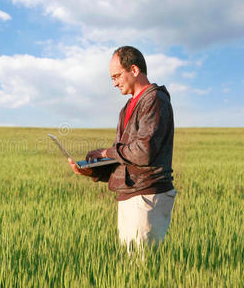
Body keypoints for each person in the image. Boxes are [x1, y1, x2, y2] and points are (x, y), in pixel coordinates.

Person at [68, 46, 176, 251]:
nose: (115, 83)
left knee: (143, 268)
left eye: (117, 76)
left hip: (147, 196)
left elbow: (143, 152)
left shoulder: (154, 100)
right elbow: (126, 157)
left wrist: (106, 152)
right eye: (112, 78)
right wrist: (92, 170)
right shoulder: (127, 107)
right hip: (129, 195)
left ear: (134, 70)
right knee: (130, 266)